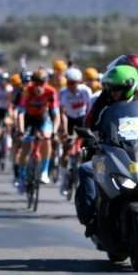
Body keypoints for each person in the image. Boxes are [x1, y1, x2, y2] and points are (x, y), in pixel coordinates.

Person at [75, 65, 138, 236]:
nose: (113, 93)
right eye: (111, 89)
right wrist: (91, 137)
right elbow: (91, 125)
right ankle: (90, 217)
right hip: (110, 154)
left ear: (130, 87)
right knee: (86, 170)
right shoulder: (104, 105)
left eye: (117, 89)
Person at [16, 69, 59, 186]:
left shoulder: (51, 91)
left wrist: (54, 131)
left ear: (46, 83)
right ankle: (21, 175)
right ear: (32, 83)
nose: (39, 87)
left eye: (42, 83)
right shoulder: (27, 91)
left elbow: (56, 115)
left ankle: (44, 172)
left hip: (43, 118)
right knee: (26, 146)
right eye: (36, 83)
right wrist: (20, 130)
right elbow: (20, 114)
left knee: (47, 139)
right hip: (28, 119)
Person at [58, 67, 92, 195]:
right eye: (68, 82)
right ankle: (64, 179)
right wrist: (65, 130)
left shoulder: (86, 91)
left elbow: (90, 110)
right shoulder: (63, 93)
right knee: (67, 148)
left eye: (73, 83)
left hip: (83, 119)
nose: (70, 85)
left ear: (79, 82)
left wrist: (88, 127)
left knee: (87, 147)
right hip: (70, 119)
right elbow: (63, 114)